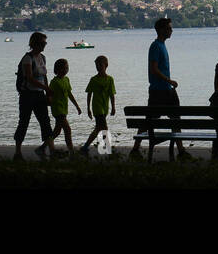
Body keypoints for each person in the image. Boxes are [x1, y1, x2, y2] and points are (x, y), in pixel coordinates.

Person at [130, 17, 188, 160]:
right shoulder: (156, 46)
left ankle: (180, 150)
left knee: (159, 119)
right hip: (160, 90)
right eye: (169, 28)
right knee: (166, 118)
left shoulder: (161, 45)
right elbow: (154, 69)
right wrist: (169, 80)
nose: (171, 30)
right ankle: (180, 151)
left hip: (164, 89)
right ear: (162, 30)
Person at [13, 32, 52, 160]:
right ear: (36, 43)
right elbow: (29, 78)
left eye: (45, 43)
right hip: (27, 95)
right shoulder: (27, 59)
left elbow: (44, 76)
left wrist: (47, 93)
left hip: (39, 94)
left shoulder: (43, 58)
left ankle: (51, 149)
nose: (44, 45)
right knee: (24, 122)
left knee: (45, 122)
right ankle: (17, 152)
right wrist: (46, 88)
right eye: (43, 43)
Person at [80, 55, 116, 156]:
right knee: (104, 127)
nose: (98, 67)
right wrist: (88, 109)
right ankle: (107, 149)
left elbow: (111, 94)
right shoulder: (93, 79)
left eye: (100, 65)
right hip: (97, 107)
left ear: (106, 65)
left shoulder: (110, 79)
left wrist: (113, 107)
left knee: (98, 128)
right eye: (97, 65)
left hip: (105, 108)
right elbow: (89, 94)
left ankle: (85, 147)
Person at [44, 58, 81, 154]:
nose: (65, 70)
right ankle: (71, 151)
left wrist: (77, 106)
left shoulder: (66, 80)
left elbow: (69, 94)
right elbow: (49, 95)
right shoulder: (54, 82)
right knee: (67, 129)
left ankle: (42, 147)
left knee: (57, 131)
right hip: (57, 109)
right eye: (64, 68)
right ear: (58, 69)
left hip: (64, 109)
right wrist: (49, 101)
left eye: (67, 68)